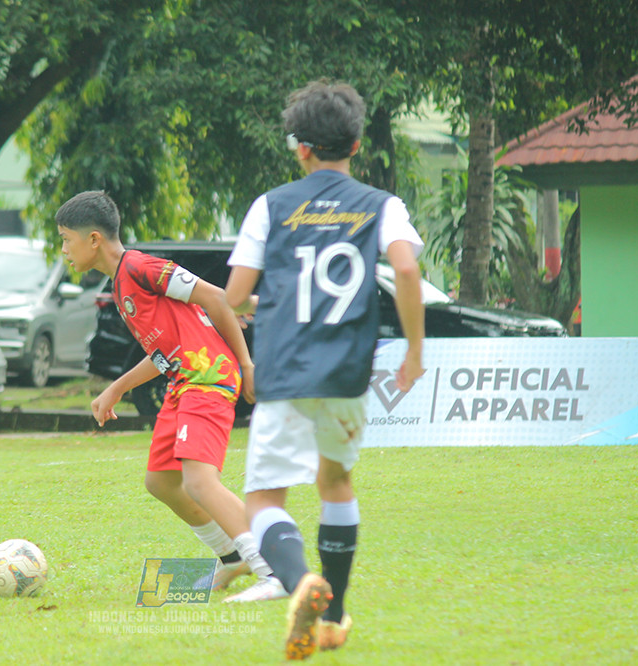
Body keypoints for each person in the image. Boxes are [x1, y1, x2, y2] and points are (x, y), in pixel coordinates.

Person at [224, 80, 426, 660]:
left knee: (264, 500)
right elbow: (407, 273)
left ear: (299, 147)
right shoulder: (381, 204)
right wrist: (414, 351)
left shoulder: (272, 206)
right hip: (346, 375)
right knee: (335, 483)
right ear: (357, 145)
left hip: (287, 374)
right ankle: (333, 614)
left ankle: (298, 582)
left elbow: (237, 295)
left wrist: (263, 300)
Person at [56, 190, 285, 603]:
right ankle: (232, 557)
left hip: (207, 377)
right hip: (183, 382)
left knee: (198, 481)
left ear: (93, 239)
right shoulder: (120, 285)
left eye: (65, 239)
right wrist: (117, 387)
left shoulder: (140, 266)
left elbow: (217, 297)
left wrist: (247, 365)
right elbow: (164, 353)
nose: (64, 250)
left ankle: (275, 570)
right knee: (161, 481)